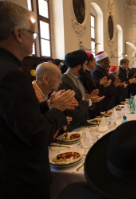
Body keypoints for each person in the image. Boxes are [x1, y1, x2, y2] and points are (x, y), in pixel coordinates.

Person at [0, 2, 76, 198]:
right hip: (20, 178)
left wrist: (47, 105)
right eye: (32, 33)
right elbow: (36, 134)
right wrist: (57, 110)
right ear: (18, 34)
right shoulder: (13, 76)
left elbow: (14, 115)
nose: (34, 39)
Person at [58, 50, 105, 131]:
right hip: (73, 126)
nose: (86, 67)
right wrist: (89, 101)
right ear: (79, 66)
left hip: (82, 122)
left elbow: (82, 99)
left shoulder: (77, 77)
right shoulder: (63, 81)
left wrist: (89, 97)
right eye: (85, 64)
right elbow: (71, 107)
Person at [32, 62, 75, 142]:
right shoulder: (30, 96)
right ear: (46, 79)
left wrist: (62, 120)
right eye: (58, 78)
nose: (60, 82)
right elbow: (36, 129)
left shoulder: (49, 94)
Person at [79, 52, 112, 119]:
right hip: (90, 107)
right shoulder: (85, 75)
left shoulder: (88, 74)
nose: (95, 63)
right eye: (94, 61)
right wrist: (103, 86)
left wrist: (102, 85)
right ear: (90, 63)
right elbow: (94, 92)